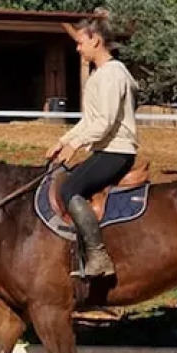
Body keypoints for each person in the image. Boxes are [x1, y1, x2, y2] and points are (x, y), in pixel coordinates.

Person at [43, 15, 139, 278]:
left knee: (71, 188)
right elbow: (90, 121)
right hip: (105, 149)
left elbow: (105, 122)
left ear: (95, 40)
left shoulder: (112, 74)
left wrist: (74, 145)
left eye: (80, 42)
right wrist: (62, 141)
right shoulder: (102, 74)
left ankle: (98, 256)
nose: (77, 48)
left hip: (116, 151)